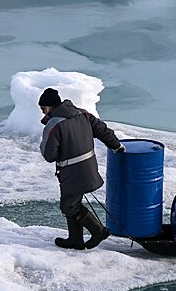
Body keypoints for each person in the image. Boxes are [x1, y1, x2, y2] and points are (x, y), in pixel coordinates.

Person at [38, 88, 125, 250]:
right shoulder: (82, 114)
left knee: (69, 206)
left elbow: (49, 155)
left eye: (43, 109)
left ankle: (98, 231)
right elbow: (102, 130)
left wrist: (44, 142)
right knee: (72, 203)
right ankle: (75, 240)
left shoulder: (54, 124)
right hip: (89, 167)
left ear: (50, 107)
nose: (42, 112)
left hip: (72, 172)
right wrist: (117, 146)